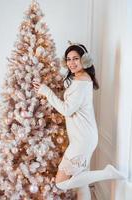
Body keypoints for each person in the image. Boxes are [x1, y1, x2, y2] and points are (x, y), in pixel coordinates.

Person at [33, 43, 124, 199]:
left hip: (83, 139)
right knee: (81, 186)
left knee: (60, 182)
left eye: (76, 59)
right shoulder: (78, 78)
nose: (71, 63)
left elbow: (67, 109)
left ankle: (108, 173)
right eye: (68, 59)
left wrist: (47, 92)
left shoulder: (82, 81)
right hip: (82, 137)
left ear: (85, 60)